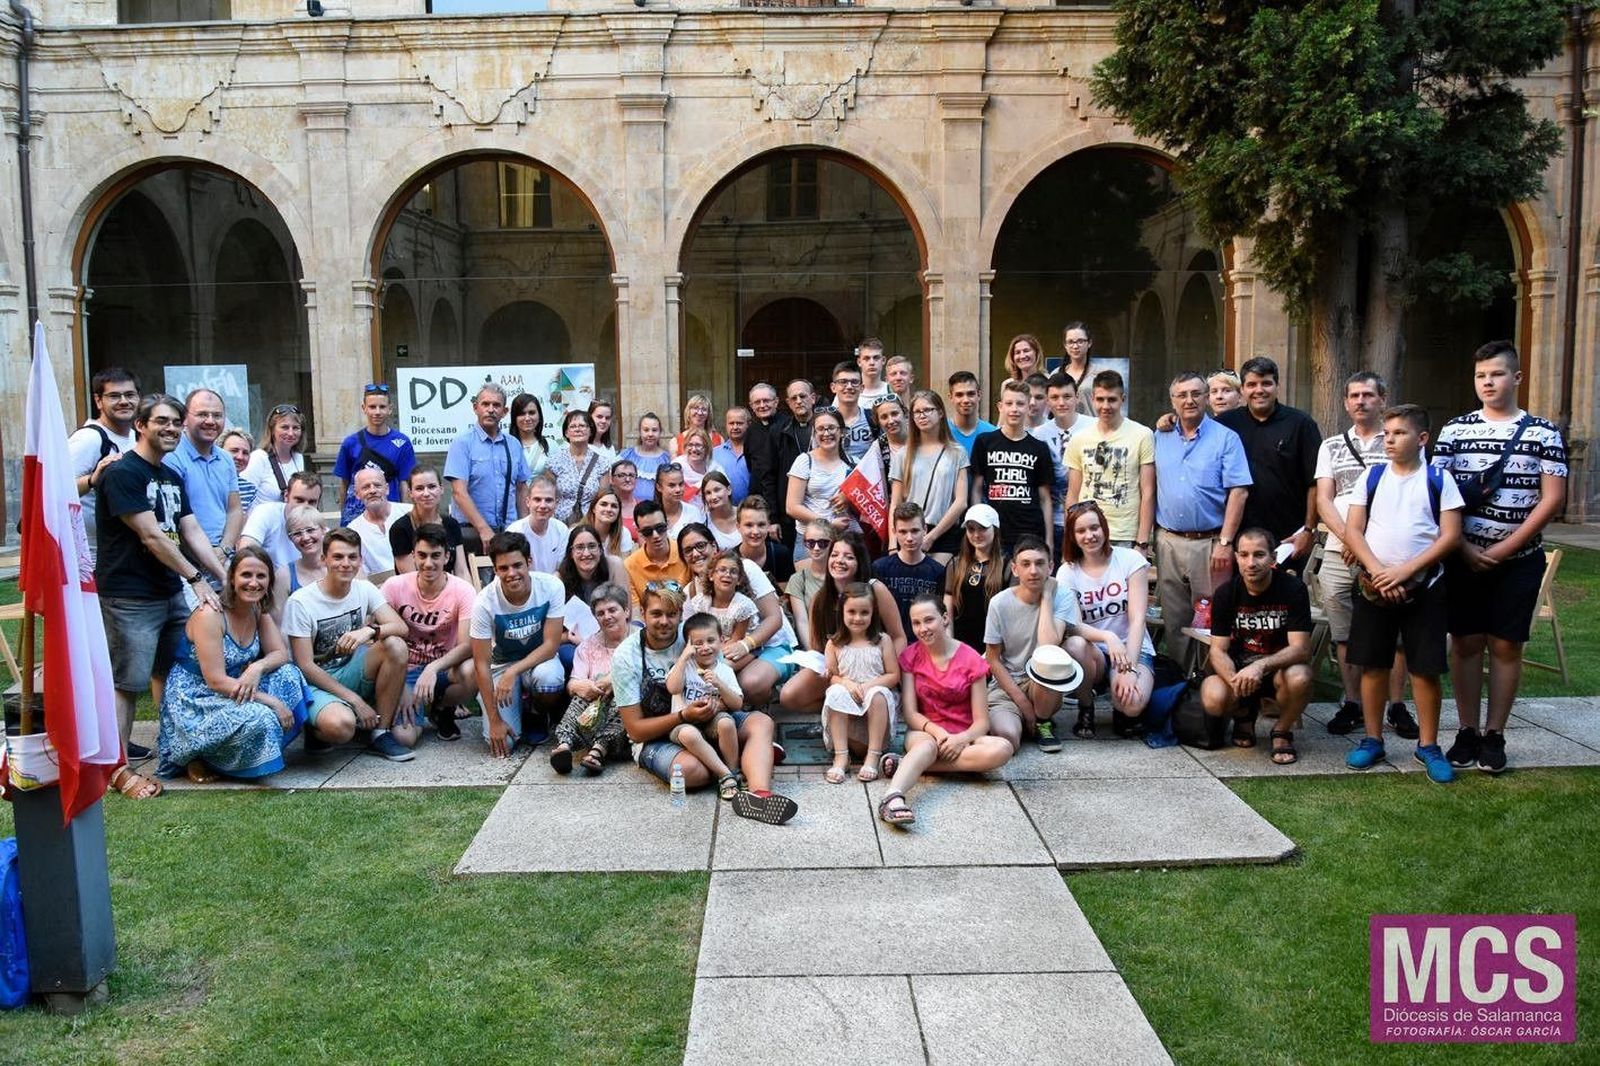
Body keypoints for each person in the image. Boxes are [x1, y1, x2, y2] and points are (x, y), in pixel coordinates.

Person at [1433, 340, 1569, 774]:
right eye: (1480, 376)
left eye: (1495, 374)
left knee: (1507, 644)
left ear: (1517, 378)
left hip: (1520, 558)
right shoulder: (1455, 431)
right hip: (1464, 555)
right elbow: (1438, 494)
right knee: (1467, 642)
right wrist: (1465, 547)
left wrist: (1505, 548)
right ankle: (1467, 729)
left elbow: (1551, 499)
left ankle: (1495, 734)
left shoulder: (1543, 433)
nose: (1487, 383)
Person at [98, 393, 226, 782]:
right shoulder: (124, 474)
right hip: (129, 595)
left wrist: (224, 575)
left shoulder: (169, 475)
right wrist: (196, 578)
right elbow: (152, 537)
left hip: (167, 589)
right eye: (161, 422)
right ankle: (117, 768)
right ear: (141, 425)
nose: (170, 429)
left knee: (178, 676)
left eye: (174, 422)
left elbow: (191, 530)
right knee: (128, 683)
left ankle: (180, 753)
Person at [1340, 405, 1463, 781]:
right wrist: (1379, 574)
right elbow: (1354, 531)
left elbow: (1451, 535)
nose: (1389, 440)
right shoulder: (1373, 478)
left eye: (1399, 433)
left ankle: (1428, 745)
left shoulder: (1439, 479)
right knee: (1374, 664)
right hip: (1375, 588)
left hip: (1423, 588)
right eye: (1387, 433)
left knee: (1424, 668)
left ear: (1422, 438)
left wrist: (1406, 573)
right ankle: (1373, 738)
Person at [614, 584, 797, 824]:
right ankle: (742, 762)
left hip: (709, 719)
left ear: (681, 613)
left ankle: (759, 796)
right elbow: (635, 730)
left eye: (671, 614)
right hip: (657, 736)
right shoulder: (626, 656)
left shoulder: (697, 634)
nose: (664, 621)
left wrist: (715, 706)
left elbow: (723, 683)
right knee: (691, 773)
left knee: (762, 723)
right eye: (656, 614)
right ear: (643, 614)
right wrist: (683, 716)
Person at [1314, 372, 1413, 737]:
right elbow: (1324, 498)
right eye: (1354, 395)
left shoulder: (1399, 443)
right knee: (1344, 632)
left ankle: (1396, 705)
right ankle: (1352, 702)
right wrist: (1349, 539)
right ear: (1345, 402)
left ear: (1382, 399)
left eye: (1368, 395)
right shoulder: (1331, 446)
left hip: (1387, 553)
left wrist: (1368, 548)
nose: (1360, 401)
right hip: (1342, 550)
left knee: (1396, 631)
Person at [156, 546, 308, 783]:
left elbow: (280, 654)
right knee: (262, 716)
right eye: (246, 575)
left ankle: (248, 750)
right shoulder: (211, 615)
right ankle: (201, 756)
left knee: (289, 675)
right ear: (232, 578)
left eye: (261, 576)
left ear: (269, 581)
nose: (254, 583)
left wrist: (256, 667)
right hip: (198, 698)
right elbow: (215, 681)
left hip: (236, 686)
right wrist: (272, 701)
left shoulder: (257, 608)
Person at [878, 594, 1012, 827]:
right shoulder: (910, 656)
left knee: (1002, 749)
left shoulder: (971, 658)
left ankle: (906, 765)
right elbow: (910, 714)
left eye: (929, 620)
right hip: (925, 732)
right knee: (926, 746)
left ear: (945, 618)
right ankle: (892, 797)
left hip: (965, 736)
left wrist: (960, 739)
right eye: (916, 623)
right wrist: (939, 735)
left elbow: (982, 722)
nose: (923, 629)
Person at [283, 527, 414, 760]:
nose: (346, 563)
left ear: (360, 560)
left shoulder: (363, 589)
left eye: (352, 557)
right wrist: (354, 700)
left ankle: (380, 732)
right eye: (338, 557)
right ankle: (316, 729)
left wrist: (368, 631)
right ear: (324, 559)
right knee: (342, 727)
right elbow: (305, 666)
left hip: (350, 669)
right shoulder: (301, 602)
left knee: (395, 645)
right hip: (315, 683)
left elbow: (401, 628)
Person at [1153, 371, 1251, 665]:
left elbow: (1239, 493)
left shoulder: (1226, 439)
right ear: (1172, 401)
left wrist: (1225, 542)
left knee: (1211, 619)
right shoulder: (1160, 435)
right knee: (1175, 618)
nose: (1189, 400)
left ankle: (1210, 685)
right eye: (1181, 395)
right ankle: (1183, 684)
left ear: (1207, 398)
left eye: (1196, 394)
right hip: (1168, 540)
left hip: (1210, 542)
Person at [1199, 529, 1314, 763]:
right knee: (1212, 695)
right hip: (1239, 669)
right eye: (1244, 555)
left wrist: (1260, 666)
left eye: (1259, 555)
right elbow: (1217, 650)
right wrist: (1236, 682)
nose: (1251, 563)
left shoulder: (1293, 589)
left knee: (1301, 677)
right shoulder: (1225, 593)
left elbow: (1301, 648)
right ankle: (1244, 715)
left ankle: (1282, 730)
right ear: (1236, 558)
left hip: (1278, 670)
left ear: (1273, 558)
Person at [1058, 502, 1156, 740]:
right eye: (1081, 531)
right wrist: (1107, 636)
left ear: (1104, 528)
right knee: (1074, 645)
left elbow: (1137, 618)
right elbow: (1074, 626)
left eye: (1094, 528)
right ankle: (1086, 707)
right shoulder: (1067, 572)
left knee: (1131, 703)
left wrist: (1129, 667)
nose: (1089, 536)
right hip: (1097, 652)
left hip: (1133, 647)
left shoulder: (1130, 559)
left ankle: (1122, 706)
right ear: (1072, 536)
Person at [1216, 356, 1322, 573]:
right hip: (1235, 537)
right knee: (1238, 603)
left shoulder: (1301, 424)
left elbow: (1315, 482)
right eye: (1252, 384)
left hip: (1287, 539)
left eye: (1266, 383)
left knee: (1285, 602)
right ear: (1242, 390)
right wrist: (1169, 421)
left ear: (1277, 386)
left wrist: (1308, 531)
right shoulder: (1224, 425)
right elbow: (1192, 432)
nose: (1259, 390)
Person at [780, 532, 907, 712]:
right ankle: (841, 709)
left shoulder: (876, 589)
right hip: (838, 671)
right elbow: (816, 649)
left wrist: (888, 670)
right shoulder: (820, 598)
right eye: (834, 555)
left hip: (873, 668)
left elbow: (898, 636)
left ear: (859, 562)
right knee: (789, 696)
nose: (839, 560)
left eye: (848, 557)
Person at [470, 531, 568, 757]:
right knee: (504, 744)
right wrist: (494, 720)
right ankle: (507, 707)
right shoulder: (484, 603)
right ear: (495, 570)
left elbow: (552, 645)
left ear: (529, 562)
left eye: (517, 565)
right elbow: (481, 665)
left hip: (539, 659)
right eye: (503, 568)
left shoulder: (552, 586)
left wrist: (514, 671)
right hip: (501, 665)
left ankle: (536, 712)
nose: (511, 573)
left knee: (549, 681)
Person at [678, 525, 796, 707]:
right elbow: (692, 633)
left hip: (768, 645)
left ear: (713, 546)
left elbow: (774, 618)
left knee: (749, 683)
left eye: (701, 546)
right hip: (721, 650)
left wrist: (745, 644)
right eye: (687, 550)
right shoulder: (692, 593)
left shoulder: (744, 568)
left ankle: (761, 706)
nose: (695, 553)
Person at [984, 535, 1081, 754]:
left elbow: (1048, 645)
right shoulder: (999, 603)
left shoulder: (1062, 595)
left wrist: (1046, 596)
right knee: (1008, 739)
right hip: (1007, 685)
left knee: (1049, 665)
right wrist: (1024, 706)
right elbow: (993, 659)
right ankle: (1029, 719)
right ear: (1015, 569)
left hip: (1043, 683)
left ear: (1051, 566)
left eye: (1040, 563)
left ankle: (1043, 721)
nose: (1033, 571)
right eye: (1026, 564)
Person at [383, 523, 479, 742]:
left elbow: (467, 645)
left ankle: (442, 709)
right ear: (413, 556)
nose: (428, 563)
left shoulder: (463, 590)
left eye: (435, 555)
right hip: (404, 669)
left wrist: (433, 669)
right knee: (405, 739)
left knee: (472, 669)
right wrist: (399, 685)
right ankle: (403, 706)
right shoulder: (394, 586)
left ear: (447, 557)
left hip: (443, 666)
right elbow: (378, 639)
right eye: (422, 555)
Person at [1064, 370, 1155, 552]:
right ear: (1092, 399)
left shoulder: (1142, 435)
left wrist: (1142, 542)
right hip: (1087, 532)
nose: (1106, 406)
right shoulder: (1079, 438)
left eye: (1112, 399)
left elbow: (1148, 492)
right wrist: (1071, 536)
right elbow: (1072, 494)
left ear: (1123, 398)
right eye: (1100, 399)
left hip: (1125, 535)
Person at [548, 583, 633, 776]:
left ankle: (598, 751)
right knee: (580, 695)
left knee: (622, 693)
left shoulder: (638, 640)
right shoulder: (587, 646)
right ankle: (564, 747)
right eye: (600, 613)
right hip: (591, 719)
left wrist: (614, 681)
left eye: (612, 610)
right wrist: (586, 686)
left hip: (625, 726)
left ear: (626, 611)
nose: (607, 617)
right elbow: (572, 684)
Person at [821, 582, 901, 783]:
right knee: (836, 692)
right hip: (848, 720)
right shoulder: (834, 643)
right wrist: (847, 684)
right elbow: (833, 676)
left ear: (873, 613)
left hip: (875, 714)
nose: (858, 618)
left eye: (864, 612)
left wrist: (866, 687)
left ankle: (872, 755)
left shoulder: (883, 640)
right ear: (842, 612)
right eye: (852, 612)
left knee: (878, 694)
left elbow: (893, 675)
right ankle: (841, 755)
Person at [665, 612, 746, 801]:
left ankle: (733, 770)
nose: (705, 647)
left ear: (722, 640)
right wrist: (683, 659)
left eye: (711, 641)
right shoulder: (684, 666)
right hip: (683, 724)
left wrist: (720, 685)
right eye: (698, 643)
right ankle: (725, 775)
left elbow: (737, 704)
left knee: (726, 722)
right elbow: (673, 687)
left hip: (711, 722)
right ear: (688, 645)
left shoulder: (724, 671)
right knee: (688, 733)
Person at [971, 377, 1054, 555]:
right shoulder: (985, 442)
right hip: (994, 531)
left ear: (1028, 407)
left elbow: (1045, 498)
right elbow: (977, 489)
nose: (1014, 409)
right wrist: (976, 524)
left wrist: (1049, 540)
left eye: (1020, 404)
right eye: (1009, 403)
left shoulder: (1039, 448)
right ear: (1000, 407)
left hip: (1030, 532)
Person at [445, 384, 530, 555]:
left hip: (508, 532)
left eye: (496, 405)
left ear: (505, 411)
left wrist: (523, 527)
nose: (491, 409)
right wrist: (483, 529)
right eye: (485, 404)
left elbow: (521, 489)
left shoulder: (513, 444)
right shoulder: (462, 444)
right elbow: (459, 493)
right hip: (472, 533)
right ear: (475, 408)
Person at [164, 387, 243, 563]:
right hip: (185, 559)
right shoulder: (171, 457)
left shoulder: (225, 459)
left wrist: (223, 549)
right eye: (202, 414)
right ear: (185, 418)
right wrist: (209, 558)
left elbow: (235, 510)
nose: (210, 421)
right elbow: (175, 519)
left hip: (222, 556)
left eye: (217, 415)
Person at [71, 367, 141, 565]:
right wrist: (92, 480)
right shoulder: (89, 438)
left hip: (123, 551)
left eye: (129, 394)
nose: (124, 401)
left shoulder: (136, 438)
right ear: (98, 401)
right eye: (114, 396)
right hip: (91, 556)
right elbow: (56, 492)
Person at [889, 390, 969, 561]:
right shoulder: (903, 454)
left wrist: (932, 536)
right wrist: (892, 542)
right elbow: (895, 502)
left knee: (938, 584)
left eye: (927, 410)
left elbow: (961, 502)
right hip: (909, 531)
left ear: (940, 412)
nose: (922, 416)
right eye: (917, 412)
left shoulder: (957, 452)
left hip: (944, 531)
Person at [334, 382, 416, 524]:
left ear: (390, 409)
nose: (377, 412)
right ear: (364, 408)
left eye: (382, 407)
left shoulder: (403, 442)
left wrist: (407, 519)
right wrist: (343, 518)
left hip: (390, 513)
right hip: (357, 515)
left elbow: (405, 484)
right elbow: (344, 484)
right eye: (372, 407)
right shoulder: (350, 443)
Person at [786, 408, 854, 556]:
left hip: (844, 541)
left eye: (831, 428)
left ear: (842, 431)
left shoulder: (854, 464)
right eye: (821, 429)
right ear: (814, 434)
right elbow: (792, 507)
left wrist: (850, 496)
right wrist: (828, 524)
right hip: (810, 540)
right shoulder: (805, 461)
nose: (826, 433)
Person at [872, 502, 947, 636]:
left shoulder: (938, 571)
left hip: (925, 644)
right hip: (890, 645)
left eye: (914, 531)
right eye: (903, 532)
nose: (909, 538)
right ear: (894, 532)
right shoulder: (879, 568)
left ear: (925, 530)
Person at [944, 504, 1008, 654]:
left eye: (983, 528)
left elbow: (1010, 615)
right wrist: (950, 643)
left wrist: (993, 653)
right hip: (960, 645)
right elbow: (948, 604)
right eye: (971, 529)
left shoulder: (1008, 566)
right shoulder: (955, 564)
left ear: (995, 529)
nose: (976, 534)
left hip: (994, 647)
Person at [1039, 371, 1090, 556]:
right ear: (1047, 401)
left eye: (1067, 396)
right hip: (1051, 523)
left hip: (1087, 521)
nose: (1061, 403)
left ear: (1077, 398)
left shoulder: (1094, 427)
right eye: (1055, 397)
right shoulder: (1038, 435)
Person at [390, 466, 469, 581]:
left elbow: (462, 571)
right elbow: (411, 579)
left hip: (452, 591)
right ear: (410, 493)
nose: (426, 493)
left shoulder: (451, 524)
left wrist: (469, 596)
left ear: (441, 489)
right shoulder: (401, 528)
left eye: (432, 487)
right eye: (419, 488)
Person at [237, 471, 323, 569]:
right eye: (299, 500)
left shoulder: (320, 529)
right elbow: (245, 552)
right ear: (286, 496)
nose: (304, 506)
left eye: (312, 502)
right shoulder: (266, 512)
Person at [547, 407, 612, 522]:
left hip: (591, 524)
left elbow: (604, 499)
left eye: (582, 426)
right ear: (566, 433)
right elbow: (548, 496)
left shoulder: (602, 463)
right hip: (560, 524)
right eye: (573, 426)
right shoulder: (554, 462)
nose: (578, 429)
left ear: (591, 431)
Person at [623, 500, 690, 608]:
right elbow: (636, 613)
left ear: (667, 524)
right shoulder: (629, 566)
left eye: (660, 528)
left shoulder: (685, 552)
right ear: (639, 532)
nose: (655, 535)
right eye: (647, 531)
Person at [242, 403, 307, 507]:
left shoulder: (298, 457)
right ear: (272, 430)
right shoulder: (258, 458)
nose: (291, 433)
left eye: (295, 428)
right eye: (285, 427)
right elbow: (242, 499)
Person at [505, 473, 570, 573]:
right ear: (528, 502)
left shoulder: (561, 530)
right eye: (537, 500)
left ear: (556, 503)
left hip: (552, 585)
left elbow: (561, 570)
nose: (543, 505)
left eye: (548, 500)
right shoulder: (514, 531)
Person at [787, 519, 835, 651]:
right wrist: (814, 653)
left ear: (832, 543)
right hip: (813, 646)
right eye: (811, 543)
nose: (816, 548)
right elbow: (802, 621)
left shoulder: (841, 576)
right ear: (804, 544)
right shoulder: (798, 579)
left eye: (823, 543)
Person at [347, 467, 403, 576]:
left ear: (387, 489)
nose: (372, 491)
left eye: (377, 485)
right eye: (366, 487)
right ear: (357, 494)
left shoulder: (408, 513)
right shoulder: (353, 531)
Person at [735, 494, 794, 586]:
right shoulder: (731, 560)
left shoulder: (780, 554)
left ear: (768, 526)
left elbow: (785, 596)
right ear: (738, 527)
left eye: (761, 525)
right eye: (749, 525)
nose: (755, 531)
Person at [824, 361, 876, 463]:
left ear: (862, 388)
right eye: (843, 382)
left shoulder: (873, 418)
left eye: (854, 382)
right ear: (833, 387)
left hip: (865, 477)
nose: (849, 386)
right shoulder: (823, 421)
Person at [619, 412, 671, 502]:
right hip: (631, 509)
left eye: (654, 430)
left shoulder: (667, 459)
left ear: (660, 432)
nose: (650, 434)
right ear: (640, 431)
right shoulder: (626, 455)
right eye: (646, 430)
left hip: (657, 510)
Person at [946, 370, 996, 457]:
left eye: (971, 394)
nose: (965, 400)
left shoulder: (992, 433)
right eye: (959, 395)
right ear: (951, 398)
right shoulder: (942, 431)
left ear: (979, 395)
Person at [712, 406, 753, 504]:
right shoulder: (715, 453)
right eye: (731, 423)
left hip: (752, 511)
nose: (735, 427)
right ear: (726, 425)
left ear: (748, 424)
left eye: (739, 423)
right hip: (723, 512)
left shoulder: (757, 451)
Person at [584, 485, 636, 558]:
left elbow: (623, 566)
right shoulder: (576, 532)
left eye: (614, 506)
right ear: (593, 509)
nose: (609, 509)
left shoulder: (623, 533)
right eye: (603, 504)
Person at [1060, 321, 1100, 408]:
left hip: (1093, 421)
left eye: (1080, 341)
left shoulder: (1100, 374)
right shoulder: (1056, 373)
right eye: (1070, 342)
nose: (1075, 346)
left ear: (1089, 343)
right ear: (1065, 345)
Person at [510, 392, 551, 479]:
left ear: (539, 415)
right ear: (514, 418)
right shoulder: (506, 445)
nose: (527, 418)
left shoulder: (551, 445)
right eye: (522, 413)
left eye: (531, 413)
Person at [698, 471, 742, 549]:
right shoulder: (703, 521)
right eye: (708, 493)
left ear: (729, 490)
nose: (713, 497)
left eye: (717, 490)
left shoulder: (744, 514)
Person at [677, 427, 721, 504]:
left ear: (706, 447)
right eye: (690, 445)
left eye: (698, 445)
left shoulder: (714, 467)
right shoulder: (677, 466)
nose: (694, 449)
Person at [221, 430, 258, 515]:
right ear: (219, 451)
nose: (240, 457)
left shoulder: (249, 489)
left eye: (245, 453)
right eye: (234, 451)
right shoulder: (206, 481)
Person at [871, 393, 910, 476]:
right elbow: (882, 485)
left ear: (905, 414)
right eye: (884, 417)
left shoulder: (921, 436)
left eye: (894, 414)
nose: (891, 421)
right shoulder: (878, 447)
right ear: (878, 422)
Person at [609, 458, 642, 537]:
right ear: (612, 480)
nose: (627, 479)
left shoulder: (643, 507)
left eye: (631, 475)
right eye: (621, 475)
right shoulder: (605, 506)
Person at [857, 337, 892, 408]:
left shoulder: (892, 391)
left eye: (876, 358)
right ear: (859, 362)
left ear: (883, 360)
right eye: (866, 358)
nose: (872, 363)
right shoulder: (848, 393)